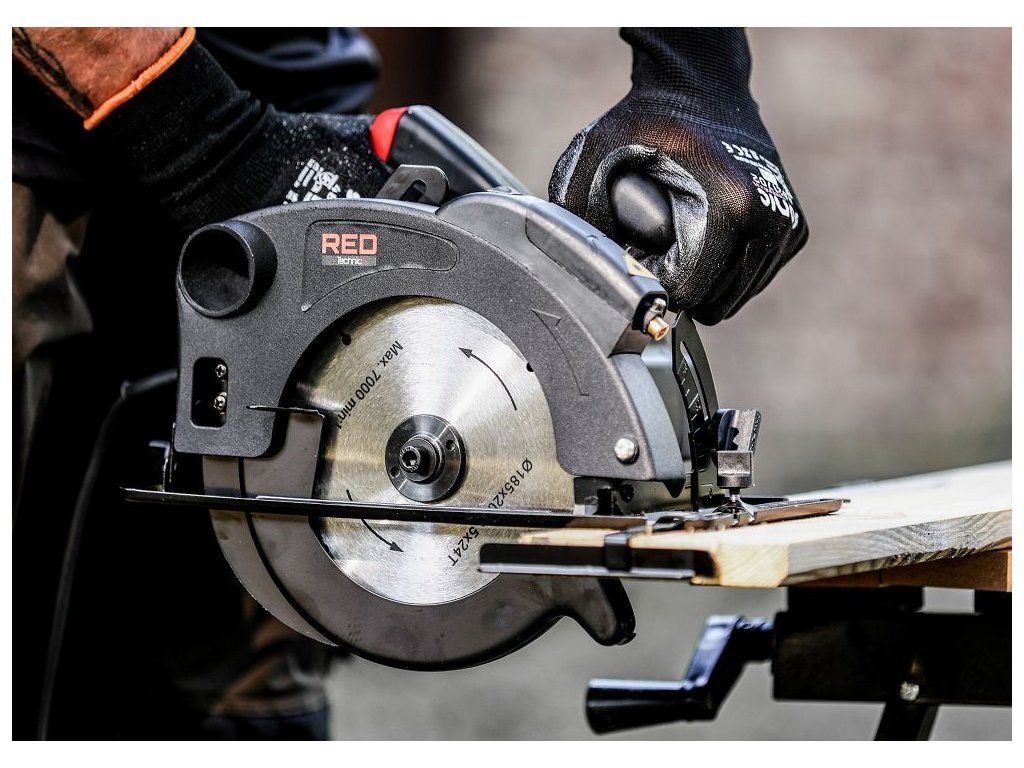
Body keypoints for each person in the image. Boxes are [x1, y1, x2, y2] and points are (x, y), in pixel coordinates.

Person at [12, 27, 807, 739]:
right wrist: (206, 143)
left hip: (271, 117)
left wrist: (693, 68)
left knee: (226, 708)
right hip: (57, 140)